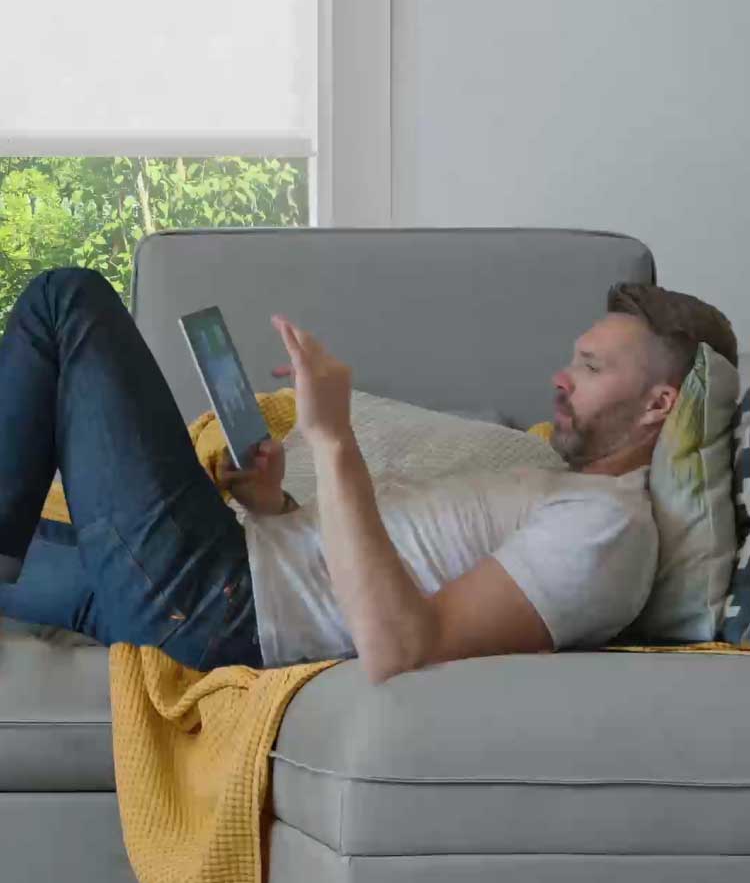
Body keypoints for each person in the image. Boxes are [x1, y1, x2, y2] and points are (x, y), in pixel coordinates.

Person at [0, 268, 738, 684]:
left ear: (658, 406)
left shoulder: (609, 530)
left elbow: (401, 646)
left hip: (216, 605)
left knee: (67, 301)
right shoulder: (554, 485)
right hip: (223, 575)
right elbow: (364, 570)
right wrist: (278, 505)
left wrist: (333, 437)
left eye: (591, 367)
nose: (561, 378)